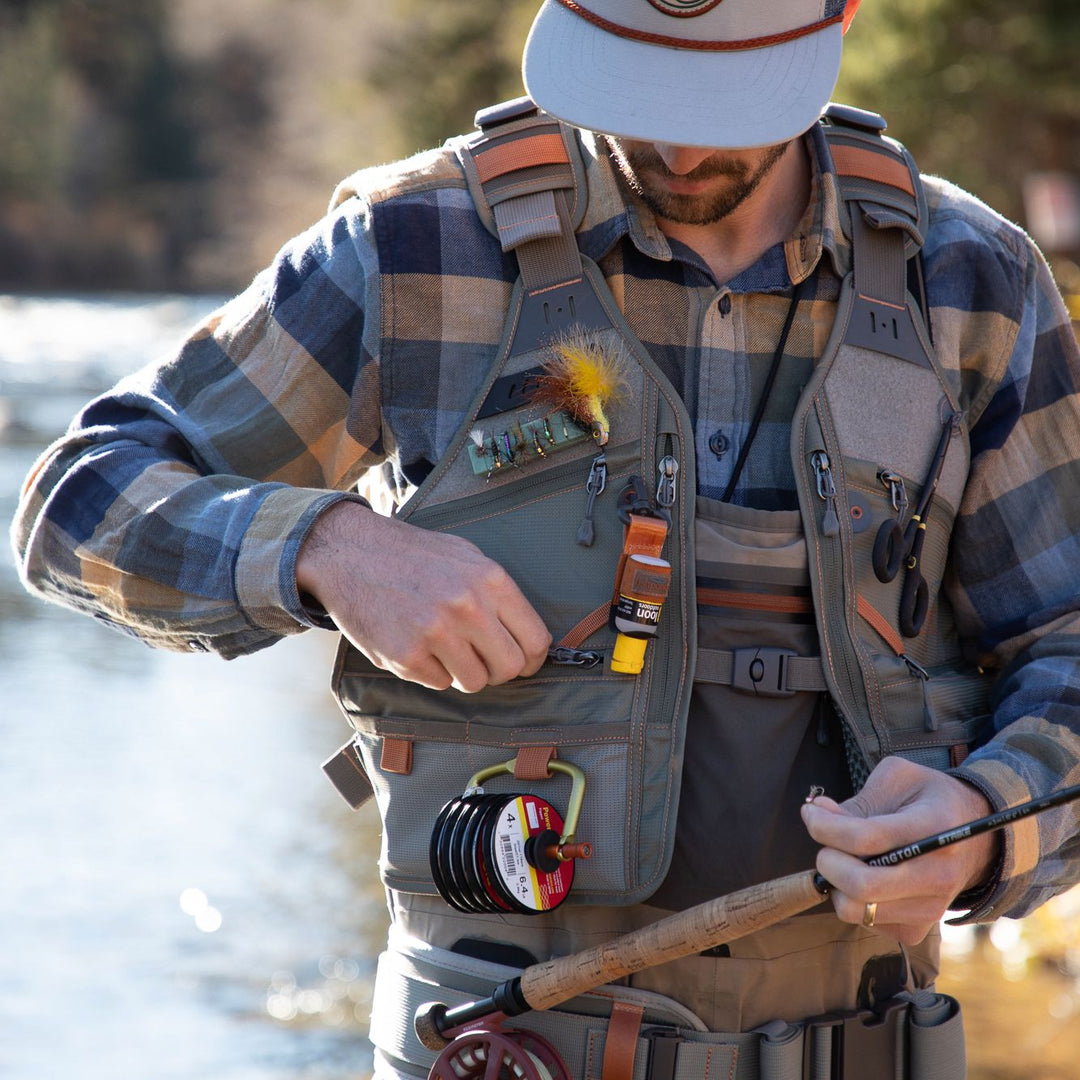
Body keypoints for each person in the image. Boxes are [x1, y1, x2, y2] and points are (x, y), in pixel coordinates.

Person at [13, 0, 1080, 1076]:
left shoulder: (976, 286)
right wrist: (329, 547)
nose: (680, 144)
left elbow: (1068, 646)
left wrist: (990, 823)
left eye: (726, 102)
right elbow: (77, 504)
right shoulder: (413, 248)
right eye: (636, 91)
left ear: (839, 21)